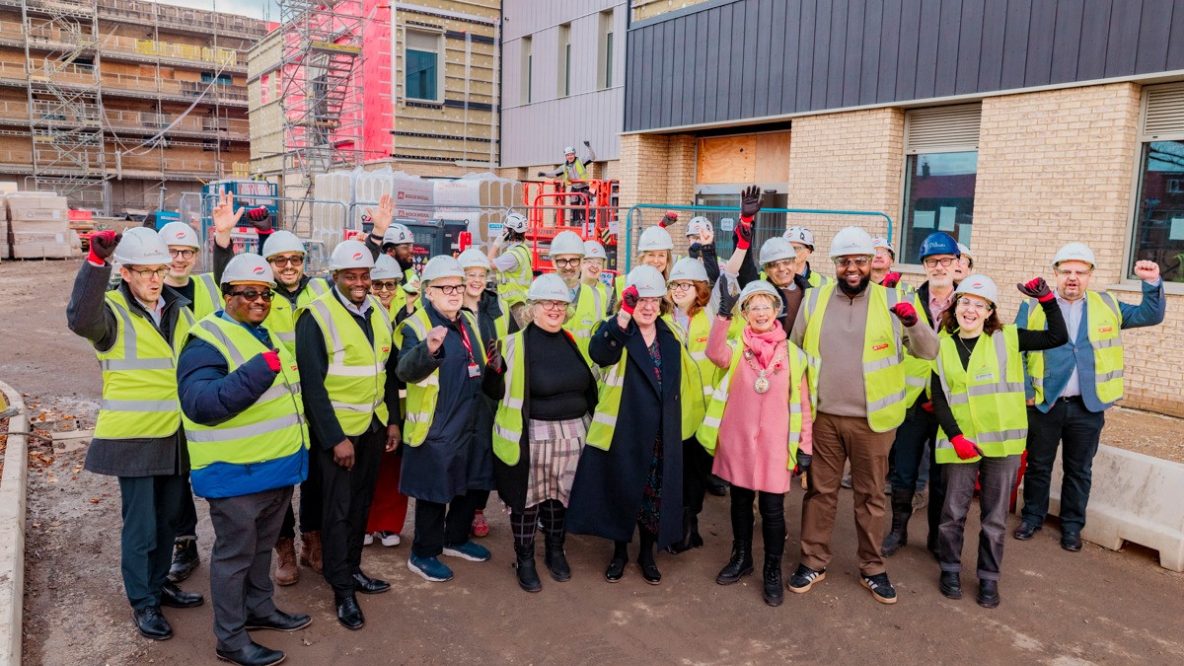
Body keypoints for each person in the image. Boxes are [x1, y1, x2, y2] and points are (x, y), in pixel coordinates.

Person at [788, 226, 938, 605]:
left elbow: (929, 351)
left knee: (870, 496)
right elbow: (794, 354)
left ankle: (873, 567)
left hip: (874, 423)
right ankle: (813, 561)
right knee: (820, 493)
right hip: (823, 419)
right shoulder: (814, 299)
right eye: (845, 262)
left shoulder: (895, 300)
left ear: (873, 264)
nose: (852, 268)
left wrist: (912, 322)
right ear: (835, 264)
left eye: (860, 261)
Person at [66, 227, 204, 641]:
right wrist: (95, 263)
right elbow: (79, 318)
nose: (154, 279)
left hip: (175, 433)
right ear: (125, 273)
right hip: (134, 436)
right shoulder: (109, 312)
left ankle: (159, 583)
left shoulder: (180, 308)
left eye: (158, 270)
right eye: (144, 272)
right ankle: (143, 602)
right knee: (140, 525)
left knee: (167, 522)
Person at [177, 253, 313, 666]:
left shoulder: (263, 332)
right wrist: (258, 371)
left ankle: (260, 609)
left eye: (265, 294)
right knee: (234, 556)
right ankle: (231, 640)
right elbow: (201, 403)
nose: (259, 301)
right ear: (226, 295)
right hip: (235, 474)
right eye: (248, 293)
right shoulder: (207, 339)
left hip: (273, 469)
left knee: (261, 549)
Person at [930, 274, 1067, 609]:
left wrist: (1047, 301)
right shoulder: (943, 343)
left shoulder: (1008, 338)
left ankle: (988, 578)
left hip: (1002, 445)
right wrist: (956, 435)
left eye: (980, 305)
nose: (971, 310)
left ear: (990, 311)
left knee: (994, 518)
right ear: (955, 305)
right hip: (961, 442)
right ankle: (949, 569)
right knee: (952, 513)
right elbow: (939, 394)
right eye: (965, 302)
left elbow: (1057, 336)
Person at [1015, 243, 1165, 551]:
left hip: (1088, 406)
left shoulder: (1107, 305)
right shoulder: (1032, 307)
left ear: (1090, 275)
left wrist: (1151, 283)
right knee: (1039, 466)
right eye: (1066, 271)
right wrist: (1027, 393)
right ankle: (1032, 517)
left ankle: (1072, 526)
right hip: (1045, 404)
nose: (1073, 278)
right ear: (1055, 274)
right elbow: (1016, 351)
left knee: (1079, 469)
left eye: (1080, 272)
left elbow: (1150, 314)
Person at [213, 206, 331, 586]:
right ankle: (284, 548)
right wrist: (222, 243)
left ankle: (313, 541)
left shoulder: (319, 289)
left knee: (317, 479)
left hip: (317, 399)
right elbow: (227, 287)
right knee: (280, 482)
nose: (289, 265)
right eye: (279, 260)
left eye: (295, 259)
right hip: (277, 401)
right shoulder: (259, 297)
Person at [567, 266, 704, 585]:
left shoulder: (671, 335)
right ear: (628, 301)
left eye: (653, 300)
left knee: (653, 496)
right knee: (622, 492)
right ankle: (619, 554)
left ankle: (646, 555)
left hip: (660, 432)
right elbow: (598, 352)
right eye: (639, 300)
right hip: (625, 430)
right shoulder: (617, 329)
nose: (647, 306)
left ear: (662, 303)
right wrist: (623, 316)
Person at [295, 239, 401, 630]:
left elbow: (386, 371)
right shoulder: (315, 316)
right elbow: (312, 386)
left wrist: (391, 422)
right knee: (337, 513)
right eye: (350, 276)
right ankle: (341, 589)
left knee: (360, 507)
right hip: (339, 435)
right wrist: (334, 438)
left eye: (364, 275)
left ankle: (353, 569)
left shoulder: (377, 311)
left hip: (372, 427)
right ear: (335, 276)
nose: (359, 282)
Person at [699, 280, 813, 607]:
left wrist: (806, 446)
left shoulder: (794, 355)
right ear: (745, 313)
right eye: (753, 306)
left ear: (777, 311)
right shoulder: (736, 347)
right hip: (739, 444)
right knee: (739, 503)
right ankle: (741, 557)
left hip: (776, 446)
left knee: (773, 511)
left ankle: (772, 570)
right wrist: (723, 314)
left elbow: (804, 405)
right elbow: (713, 353)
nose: (760, 312)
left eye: (766, 306)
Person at [396, 255, 504, 583]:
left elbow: (476, 361)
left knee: (469, 482)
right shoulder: (416, 326)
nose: (454, 292)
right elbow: (405, 371)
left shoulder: (467, 320)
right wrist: (428, 350)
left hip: (471, 417)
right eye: (445, 287)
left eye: (457, 286)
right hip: (437, 423)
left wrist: (494, 365)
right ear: (429, 292)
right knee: (434, 491)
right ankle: (424, 553)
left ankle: (455, 538)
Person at [492, 274, 598, 592]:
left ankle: (555, 550)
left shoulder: (571, 341)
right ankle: (525, 560)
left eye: (561, 303)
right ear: (532, 307)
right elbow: (492, 391)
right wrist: (492, 369)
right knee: (527, 503)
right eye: (547, 302)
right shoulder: (512, 345)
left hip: (573, 436)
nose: (555, 308)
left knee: (559, 500)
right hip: (532, 438)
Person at [882, 231, 962, 558]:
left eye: (945, 261)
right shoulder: (909, 300)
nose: (939, 266)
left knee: (943, 475)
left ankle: (935, 537)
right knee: (903, 469)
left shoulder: (968, 303)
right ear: (924, 266)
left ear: (957, 264)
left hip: (950, 403)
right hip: (912, 400)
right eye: (932, 261)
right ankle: (898, 531)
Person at [664, 257, 719, 555]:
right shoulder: (663, 319)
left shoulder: (710, 318)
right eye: (675, 284)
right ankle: (680, 527)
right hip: (674, 412)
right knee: (677, 472)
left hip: (704, 413)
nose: (679, 290)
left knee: (698, 473)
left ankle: (691, 522)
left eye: (686, 284)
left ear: (700, 289)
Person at [458, 248, 509, 539]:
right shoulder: (451, 308)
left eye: (481, 275)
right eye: (470, 275)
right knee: (462, 449)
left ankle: (477, 509)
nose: (476, 281)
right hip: (462, 390)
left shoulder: (494, 307)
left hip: (490, 387)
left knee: (484, 449)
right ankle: (457, 510)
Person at [362, 255, 409, 549]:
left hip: (404, 404)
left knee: (394, 468)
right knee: (369, 468)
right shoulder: (361, 314)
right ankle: (367, 523)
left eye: (389, 285)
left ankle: (389, 525)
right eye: (377, 285)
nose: (383, 291)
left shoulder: (408, 315)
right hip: (372, 403)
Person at [486, 212, 534, 328]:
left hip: (514, 303)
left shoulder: (512, 255)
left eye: (505, 229)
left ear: (510, 232)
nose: (503, 231)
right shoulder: (523, 250)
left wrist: (497, 244)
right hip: (520, 299)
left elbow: (487, 263)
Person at [364, 192, 419, 283]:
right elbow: (364, 264)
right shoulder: (374, 273)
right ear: (390, 251)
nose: (411, 251)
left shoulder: (410, 275)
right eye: (405, 247)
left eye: (411, 246)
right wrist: (378, 231)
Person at [538, 141, 597, 224]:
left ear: (574, 154)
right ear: (566, 156)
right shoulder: (564, 167)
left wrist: (589, 147)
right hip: (575, 187)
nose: (570, 156)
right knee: (574, 204)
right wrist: (545, 174)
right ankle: (576, 221)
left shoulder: (581, 160)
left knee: (585, 203)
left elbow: (592, 158)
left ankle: (585, 221)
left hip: (584, 186)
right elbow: (554, 173)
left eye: (571, 154)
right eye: (568, 155)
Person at [613, 225, 676, 299]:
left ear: (667, 259)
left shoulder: (674, 289)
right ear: (642, 257)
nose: (656, 260)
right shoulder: (623, 284)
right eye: (651, 255)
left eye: (661, 255)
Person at [581, 239, 614, 308]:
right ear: (581, 264)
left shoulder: (609, 293)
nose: (595, 266)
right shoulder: (569, 291)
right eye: (590, 262)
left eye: (599, 263)